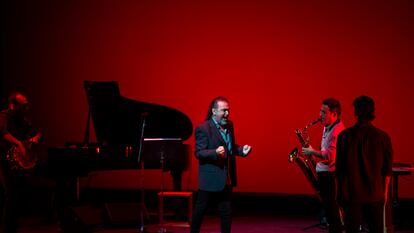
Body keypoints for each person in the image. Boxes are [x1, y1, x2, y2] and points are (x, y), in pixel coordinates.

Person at [190, 96, 252, 233]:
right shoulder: (203, 128)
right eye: (224, 110)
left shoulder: (229, 125)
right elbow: (198, 153)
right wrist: (214, 152)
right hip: (209, 179)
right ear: (214, 111)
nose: (227, 113)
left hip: (226, 178)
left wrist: (242, 151)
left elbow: (230, 148)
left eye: (228, 110)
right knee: (200, 210)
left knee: (226, 211)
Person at [336, 96, 393, 233]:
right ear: (372, 111)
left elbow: (340, 170)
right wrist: (384, 193)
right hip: (375, 195)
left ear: (355, 111)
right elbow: (387, 170)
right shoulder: (383, 137)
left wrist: (340, 196)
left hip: (351, 195)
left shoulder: (344, 136)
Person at [0, 92, 42, 233]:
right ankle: (6, 229)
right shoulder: (5, 116)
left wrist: (35, 138)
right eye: (24, 106)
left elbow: (37, 133)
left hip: (17, 162)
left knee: (17, 194)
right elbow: (4, 133)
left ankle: (12, 227)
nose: (27, 108)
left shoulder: (22, 120)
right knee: (11, 193)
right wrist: (19, 144)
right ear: (13, 106)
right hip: (4, 160)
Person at [301, 98, 344, 233]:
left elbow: (331, 156)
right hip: (324, 172)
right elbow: (324, 151)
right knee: (328, 210)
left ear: (334, 114)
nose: (320, 115)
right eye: (320, 111)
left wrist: (312, 152)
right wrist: (313, 153)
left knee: (332, 211)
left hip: (330, 175)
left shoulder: (338, 131)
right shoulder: (327, 126)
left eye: (324, 112)